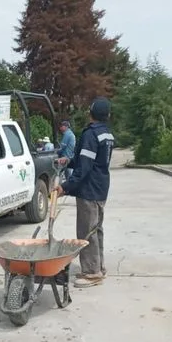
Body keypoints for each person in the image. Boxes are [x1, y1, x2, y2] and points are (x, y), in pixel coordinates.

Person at [56, 97, 115, 289]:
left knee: (87, 231)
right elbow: (87, 161)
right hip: (101, 188)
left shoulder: (91, 134)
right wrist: (68, 161)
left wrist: (65, 187)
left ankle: (91, 273)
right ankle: (99, 266)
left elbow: (85, 169)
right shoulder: (106, 134)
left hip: (89, 190)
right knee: (96, 229)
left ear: (90, 113)